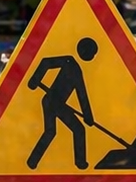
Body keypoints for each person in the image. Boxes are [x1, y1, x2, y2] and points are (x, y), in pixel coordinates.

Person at [27, 37, 99, 170]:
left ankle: (32, 161)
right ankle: (79, 162)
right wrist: (35, 79)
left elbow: (81, 95)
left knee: (52, 132)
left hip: (55, 103)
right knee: (76, 130)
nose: (92, 56)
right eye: (91, 53)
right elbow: (46, 62)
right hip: (52, 102)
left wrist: (88, 116)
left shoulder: (76, 70)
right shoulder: (69, 62)